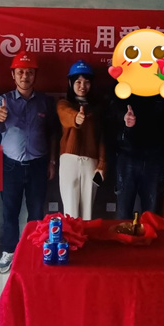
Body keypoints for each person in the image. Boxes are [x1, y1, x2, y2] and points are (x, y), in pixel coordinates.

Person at [0, 51, 59, 273]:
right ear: (13, 75)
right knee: (10, 212)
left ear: (35, 75)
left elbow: (53, 134)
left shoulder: (45, 102)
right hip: (10, 166)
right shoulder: (4, 101)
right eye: (20, 72)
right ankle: (9, 251)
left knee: (36, 211)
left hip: (39, 165)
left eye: (29, 72)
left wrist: (52, 162)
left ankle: (34, 250)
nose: (25, 76)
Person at [108, 87, 164, 220]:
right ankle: (123, 235)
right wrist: (124, 119)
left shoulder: (161, 86)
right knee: (124, 212)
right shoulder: (124, 84)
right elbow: (111, 117)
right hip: (127, 155)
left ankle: (149, 235)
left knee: (151, 213)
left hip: (154, 156)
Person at [57, 60, 106, 219]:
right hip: (69, 161)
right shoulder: (64, 104)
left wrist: (102, 163)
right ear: (70, 83)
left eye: (86, 82)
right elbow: (65, 114)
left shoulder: (98, 108)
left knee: (87, 213)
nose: (82, 86)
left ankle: (85, 236)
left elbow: (102, 137)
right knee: (70, 211)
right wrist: (76, 118)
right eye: (78, 82)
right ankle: (71, 236)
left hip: (91, 163)